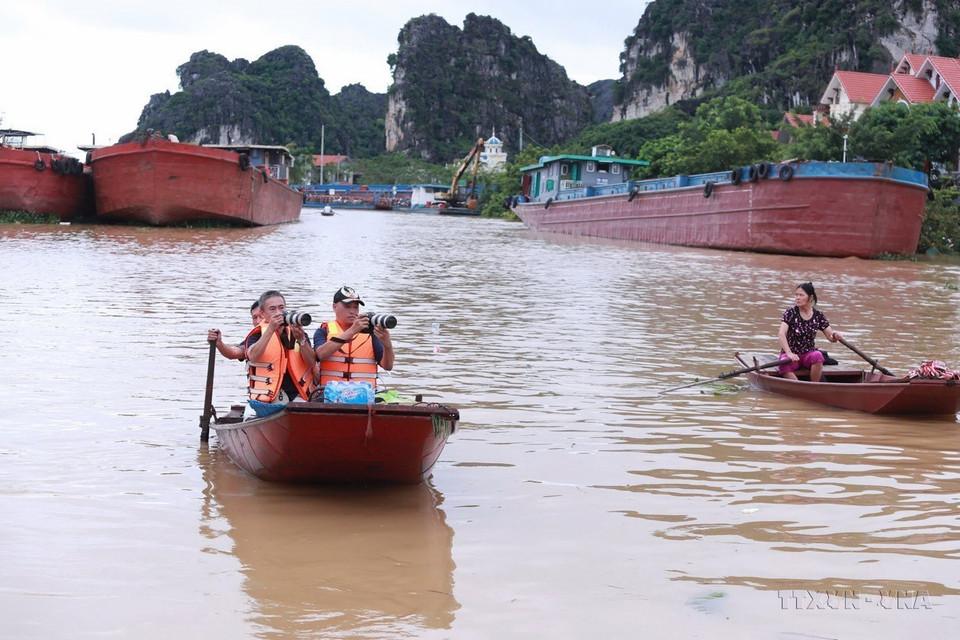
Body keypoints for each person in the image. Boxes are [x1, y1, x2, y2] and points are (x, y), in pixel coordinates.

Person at [314, 286, 394, 389]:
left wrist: (388, 345)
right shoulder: (323, 331)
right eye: (347, 306)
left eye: (355, 307)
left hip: (363, 397)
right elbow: (320, 354)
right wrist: (352, 331)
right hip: (331, 396)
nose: (352, 311)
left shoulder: (370, 334)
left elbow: (388, 366)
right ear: (334, 307)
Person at [245, 290, 317, 404]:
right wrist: (270, 330)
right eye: (272, 309)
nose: (278, 312)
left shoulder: (295, 331)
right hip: (268, 397)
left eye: (281, 307)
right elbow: (252, 356)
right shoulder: (257, 334)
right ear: (262, 314)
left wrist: (301, 339)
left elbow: (312, 362)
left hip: (298, 395)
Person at [778, 282, 842, 382]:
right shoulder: (790, 313)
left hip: (808, 354)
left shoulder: (818, 315)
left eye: (801, 295)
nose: (797, 298)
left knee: (818, 355)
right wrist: (789, 353)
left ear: (810, 297)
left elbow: (830, 336)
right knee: (783, 365)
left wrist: (835, 336)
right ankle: (799, 387)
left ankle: (814, 386)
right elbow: (781, 334)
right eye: (796, 295)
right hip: (792, 356)